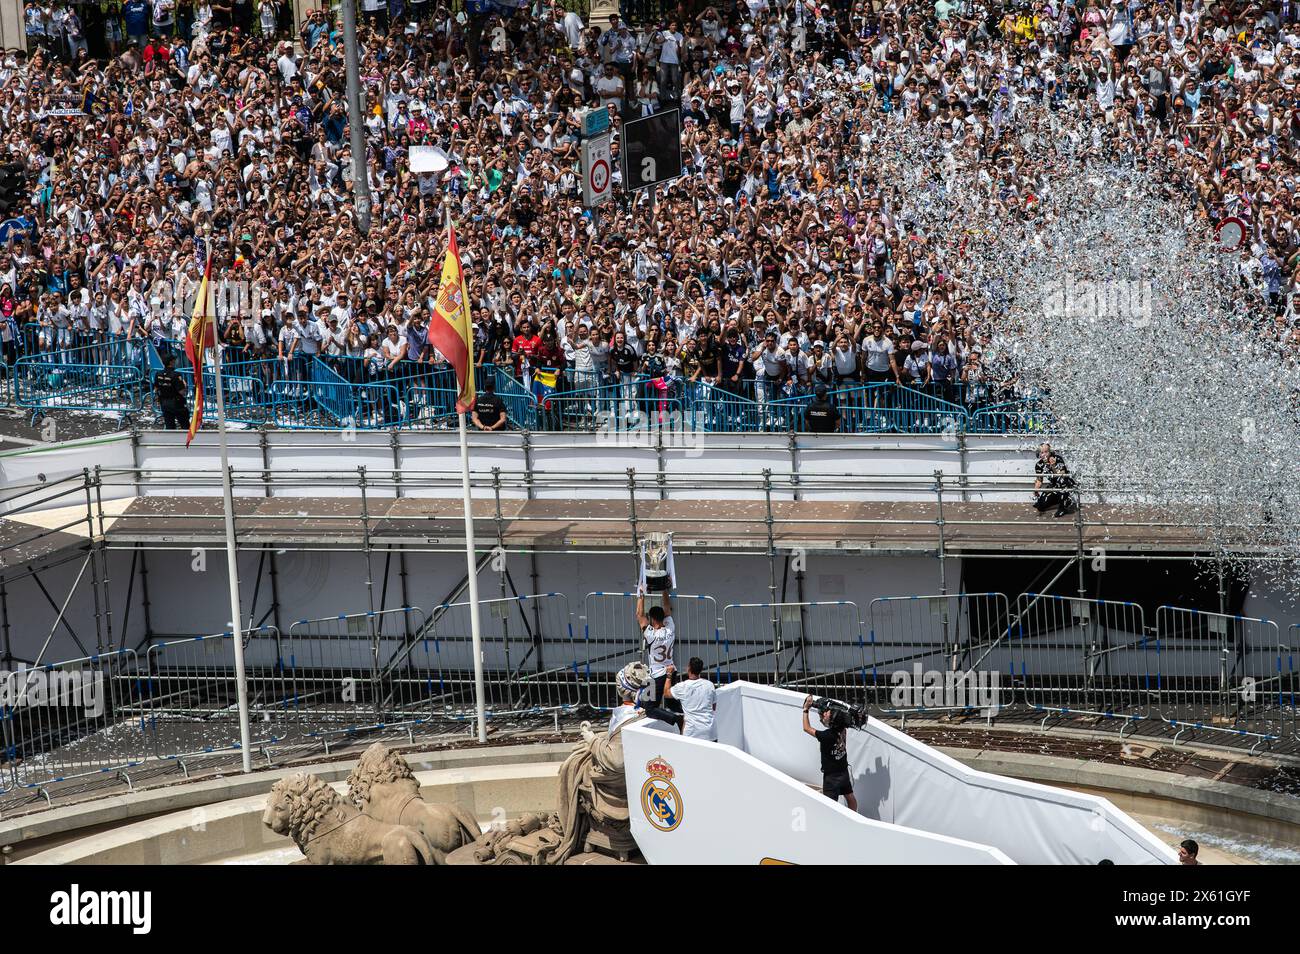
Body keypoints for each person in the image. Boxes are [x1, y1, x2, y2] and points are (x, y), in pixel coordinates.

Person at [802, 694, 857, 811]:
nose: (825, 715)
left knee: (829, 806)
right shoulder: (843, 729)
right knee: (850, 796)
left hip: (831, 777)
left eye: (827, 714)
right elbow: (834, 719)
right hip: (843, 771)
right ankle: (854, 816)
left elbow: (806, 728)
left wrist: (806, 709)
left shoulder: (826, 736)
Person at [636, 587, 678, 714]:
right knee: (671, 703)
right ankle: (680, 719)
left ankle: (677, 720)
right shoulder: (670, 628)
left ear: (652, 619)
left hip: (656, 675)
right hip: (671, 671)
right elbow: (667, 607)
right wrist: (664, 589)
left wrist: (641, 595)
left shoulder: (651, 634)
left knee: (649, 708)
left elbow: (639, 615)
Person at [663, 657, 716, 740]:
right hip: (710, 731)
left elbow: (666, 693)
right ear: (701, 670)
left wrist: (669, 675)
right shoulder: (710, 685)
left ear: (689, 668)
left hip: (692, 732)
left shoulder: (682, 686)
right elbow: (713, 707)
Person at [153, 354, 190, 430]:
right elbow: (182, 391)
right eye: (174, 360)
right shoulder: (175, 375)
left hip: (164, 403)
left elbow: (156, 388)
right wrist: (185, 385)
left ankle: (171, 441)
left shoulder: (158, 374)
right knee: (185, 425)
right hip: (176, 403)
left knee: (169, 426)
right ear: (171, 362)